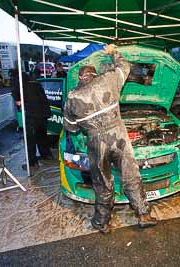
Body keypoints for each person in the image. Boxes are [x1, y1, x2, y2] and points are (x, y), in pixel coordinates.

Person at [63, 44, 158, 233]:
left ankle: (102, 223)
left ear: (80, 78)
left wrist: (85, 125)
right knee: (131, 176)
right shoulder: (107, 79)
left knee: (103, 183)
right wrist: (113, 51)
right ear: (94, 74)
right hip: (119, 136)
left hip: (96, 143)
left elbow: (71, 128)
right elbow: (125, 66)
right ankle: (143, 215)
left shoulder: (72, 97)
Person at [11, 69, 52, 170]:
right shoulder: (34, 82)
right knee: (42, 135)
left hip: (32, 114)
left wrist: (19, 103)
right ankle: (46, 155)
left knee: (30, 139)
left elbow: (18, 101)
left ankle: (32, 162)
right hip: (43, 113)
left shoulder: (19, 83)